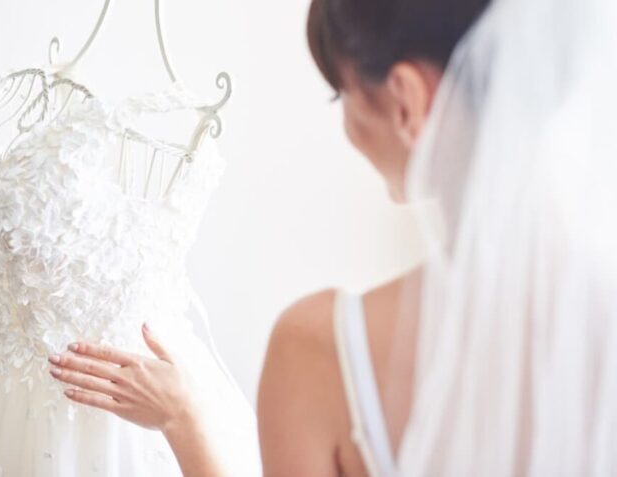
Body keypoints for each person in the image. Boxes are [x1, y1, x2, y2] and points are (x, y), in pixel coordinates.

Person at [48, 0, 488, 475]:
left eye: (341, 94)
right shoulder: (577, 314)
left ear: (406, 100)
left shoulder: (321, 350)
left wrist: (182, 418)